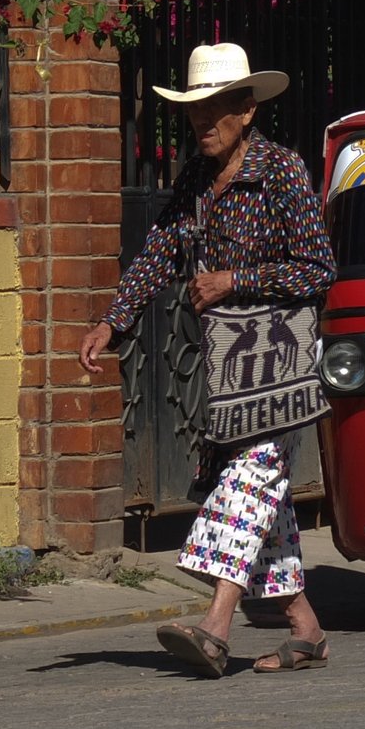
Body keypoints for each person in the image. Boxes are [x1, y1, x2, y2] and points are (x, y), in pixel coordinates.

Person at [77, 43, 335, 676]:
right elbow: (160, 251)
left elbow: (319, 268)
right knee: (261, 493)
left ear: (246, 109)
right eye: (195, 110)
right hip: (226, 371)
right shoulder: (197, 179)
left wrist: (233, 280)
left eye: (215, 108)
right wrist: (114, 321)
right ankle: (306, 629)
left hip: (280, 366)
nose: (202, 121)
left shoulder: (281, 171)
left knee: (246, 481)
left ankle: (216, 627)